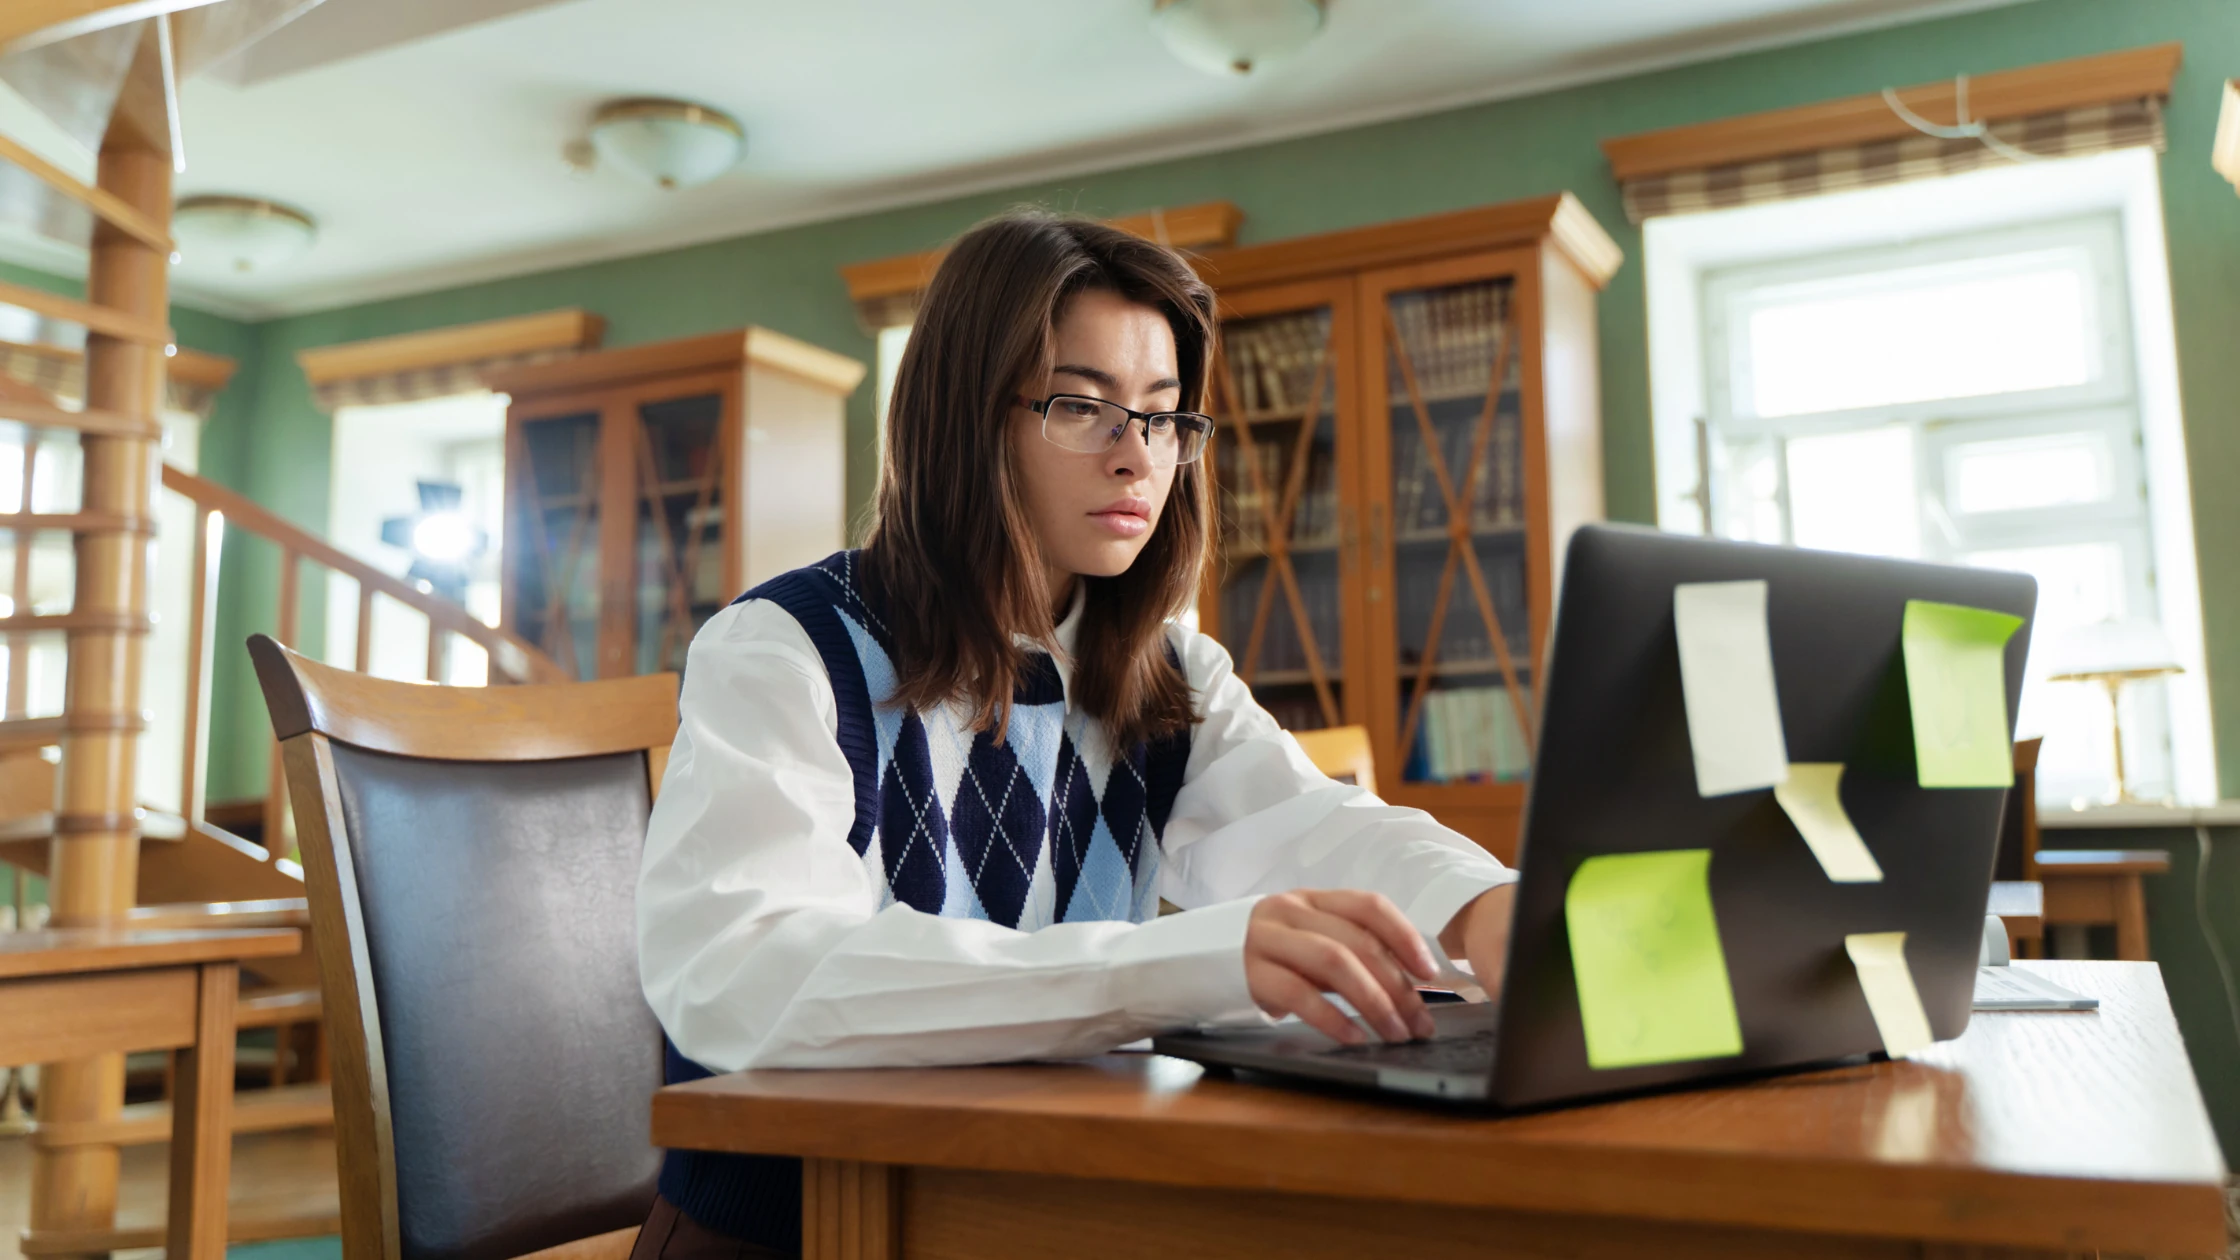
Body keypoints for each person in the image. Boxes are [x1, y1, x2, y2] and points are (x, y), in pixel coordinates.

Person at [631, 210, 1518, 1260]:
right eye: (1080, 407)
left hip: (1038, 1211)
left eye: (1161, 417)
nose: (1135, 457)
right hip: (805, 1229)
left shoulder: (1163, 668)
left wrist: (1483, 904)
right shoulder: (784, 649)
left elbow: (1322, 824)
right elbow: (744, 977)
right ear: (964, 419)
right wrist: (1161, 967)